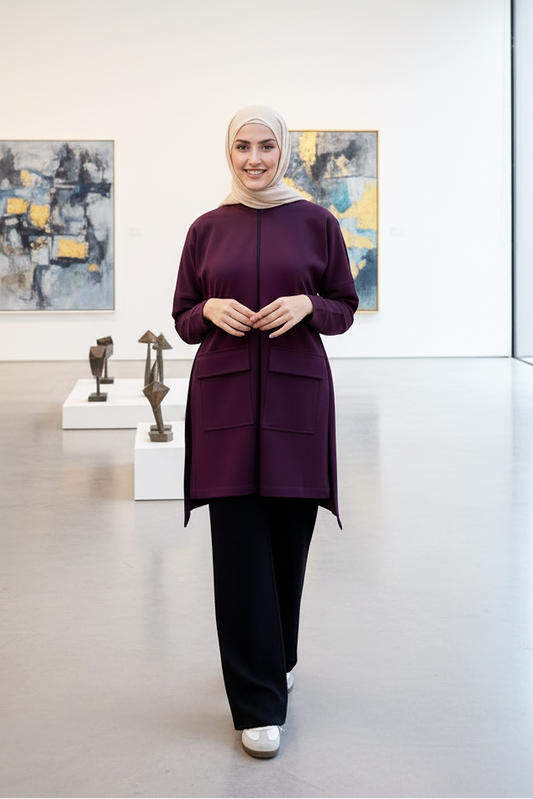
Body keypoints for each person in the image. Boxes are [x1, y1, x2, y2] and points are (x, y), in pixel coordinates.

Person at [172, 105, 359, 758]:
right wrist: (207, 310)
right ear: (228, 152)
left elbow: (344, 307)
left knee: (286, 548)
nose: (253, 158)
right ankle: (255, 703)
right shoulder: (205, 230)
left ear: (283, 152)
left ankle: (275, 662)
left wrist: (310, 303)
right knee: (240, 552)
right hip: (224, 406)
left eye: (265, 146)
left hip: (296, 405)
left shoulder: (317, 223)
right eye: (241, 146)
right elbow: (182, 317)